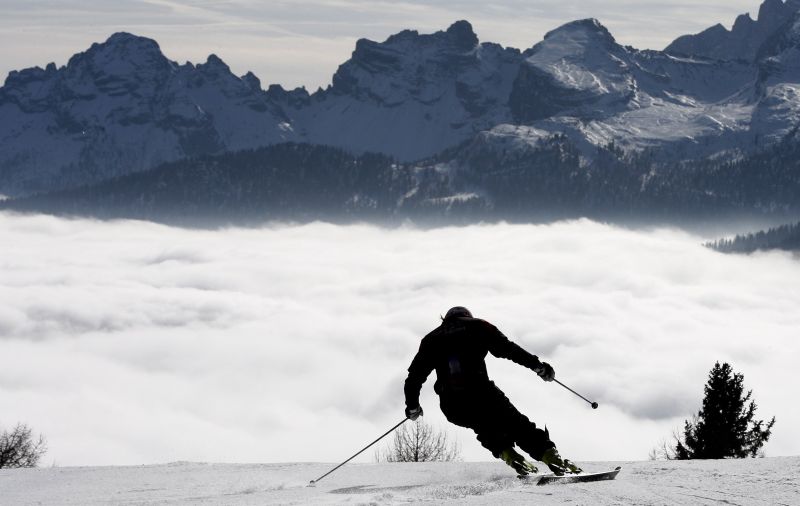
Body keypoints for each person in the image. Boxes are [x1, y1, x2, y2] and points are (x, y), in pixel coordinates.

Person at [403, 306, 581, 476]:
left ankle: (509, 455)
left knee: (484, 427)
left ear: (445, 319)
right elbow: (509, 349)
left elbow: (414, 378)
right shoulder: (478, 325)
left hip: (452, 404)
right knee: (516, 424)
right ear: (467, 315)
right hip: (482, 393)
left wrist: (412, 406)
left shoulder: (430, 339)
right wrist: (538, 367)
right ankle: (551, 457)